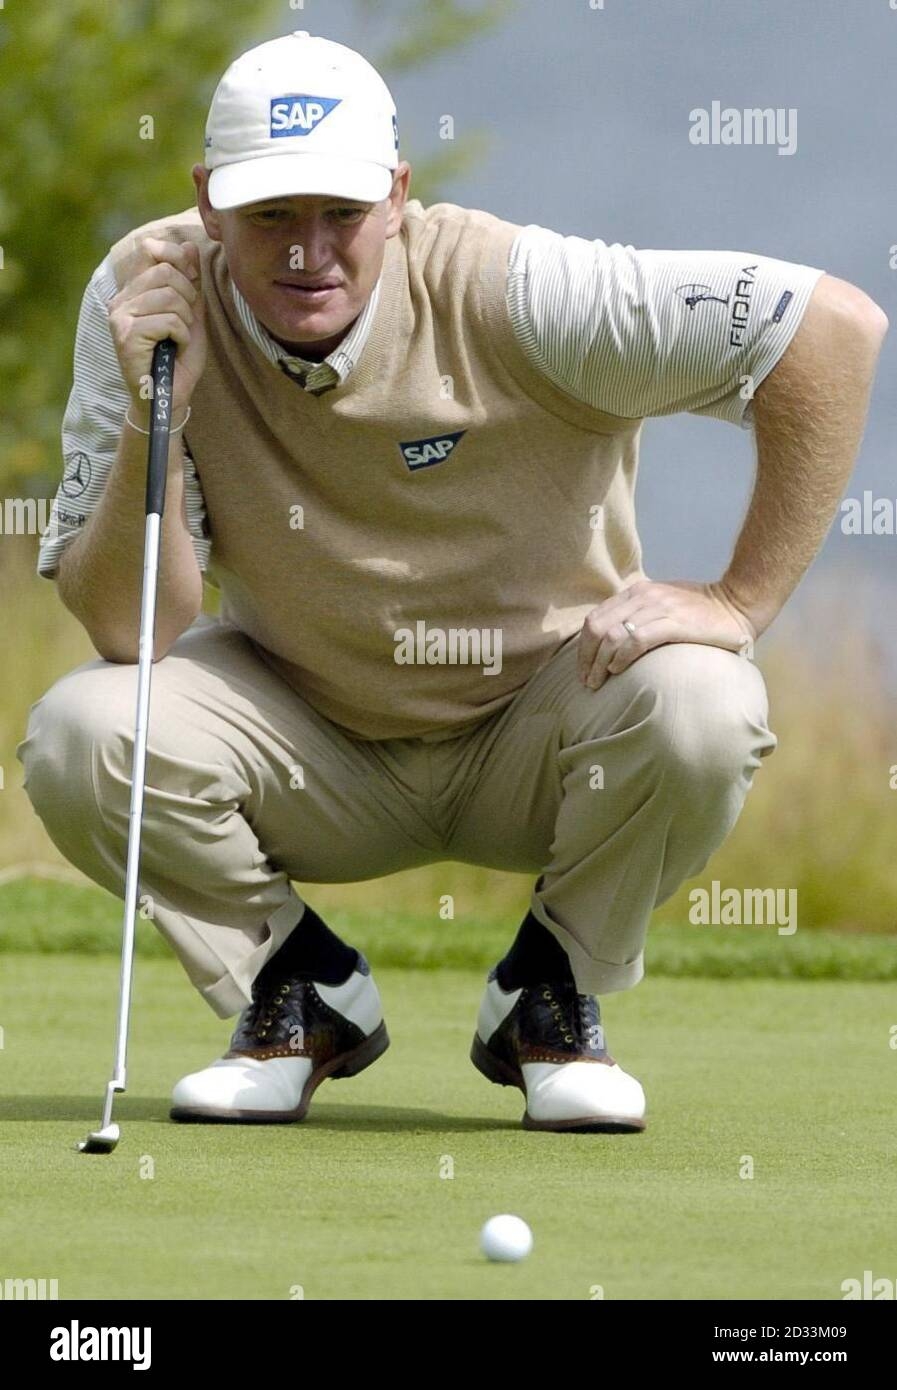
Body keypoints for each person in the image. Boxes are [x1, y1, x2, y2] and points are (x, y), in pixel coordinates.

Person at [17, 32, 887, 1133]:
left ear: (396, 194)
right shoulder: (146, 298)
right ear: (207, 205)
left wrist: (736, 602)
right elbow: (128, 626)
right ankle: (296, 993)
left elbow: (831, 330)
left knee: (706, 700)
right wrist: (164, 411)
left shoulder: (519, 290)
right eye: (272, 216)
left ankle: (552, 994)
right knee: (80, 733)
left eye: (341, 212)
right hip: (306, 735)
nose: (308, 252)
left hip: (546, 723)